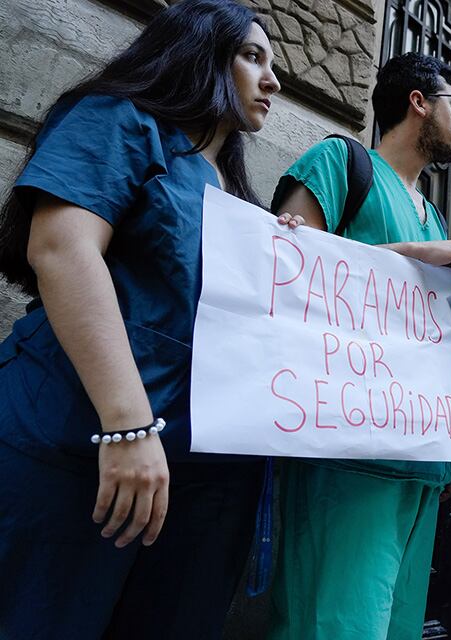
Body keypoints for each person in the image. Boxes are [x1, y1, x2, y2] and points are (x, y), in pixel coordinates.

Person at [0, 1, 281, 637]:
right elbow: (63, 248)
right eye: (253, 57)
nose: (274, 80)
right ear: (201, 53)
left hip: (197, 484)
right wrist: (128, 428)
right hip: (75, 447)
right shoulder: (120, 119)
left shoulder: (239, 198)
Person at [267, 52, 451, 640]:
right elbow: (286, 269)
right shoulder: (340, 161)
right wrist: (411, 256)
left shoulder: (434, 215)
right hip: (348, 453)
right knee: (336, 624)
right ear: (419, 102)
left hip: (423, 462)